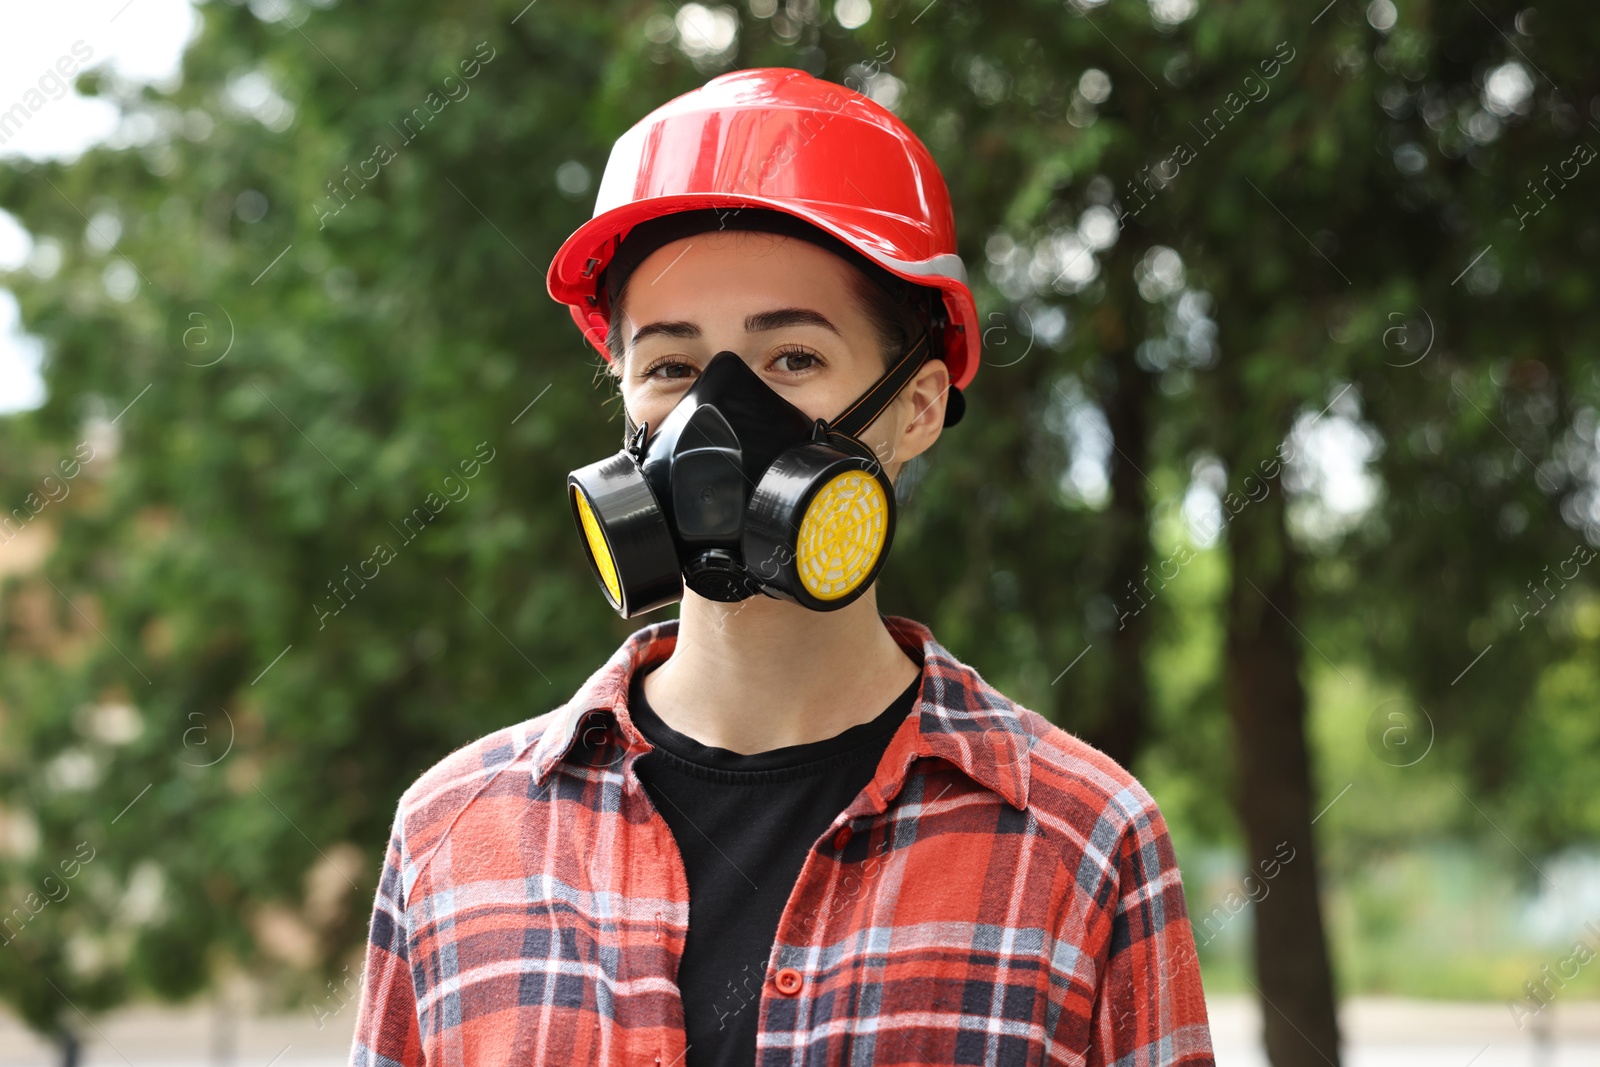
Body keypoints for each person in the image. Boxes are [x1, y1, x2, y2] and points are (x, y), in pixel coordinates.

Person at [349, 68, 1214, 1067]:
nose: (716, 419)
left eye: (793, 358)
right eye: (670, 367)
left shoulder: (1082, 839)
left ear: (917, 406)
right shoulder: (455, 835)